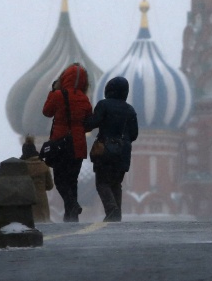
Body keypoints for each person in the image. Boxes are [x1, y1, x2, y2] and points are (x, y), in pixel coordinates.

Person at [43, 62, 93, 222]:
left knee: (59, 179)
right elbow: (89, 121)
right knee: (72, 180)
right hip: (78, 145)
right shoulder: (84, 99)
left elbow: (46, 112)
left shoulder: (59, 95)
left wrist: (53, 91)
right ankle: (71, 216)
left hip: (60, 143)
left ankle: (72, 205)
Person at [84, 76, 139, 221]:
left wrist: (84, 119)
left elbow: (92, 123)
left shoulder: (104, 105)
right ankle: (117, 214)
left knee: (102, 182)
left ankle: (112, 210)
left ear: (109, 89)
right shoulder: (130, 110)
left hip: (105, 150)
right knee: (116, 183)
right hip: (123, 152)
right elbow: (134, 134)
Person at [20, 136, 54, 223]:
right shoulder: (44, 165)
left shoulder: (21, 167)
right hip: (41, 200)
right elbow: (50, 186)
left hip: (27, 200)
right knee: (44, 224)